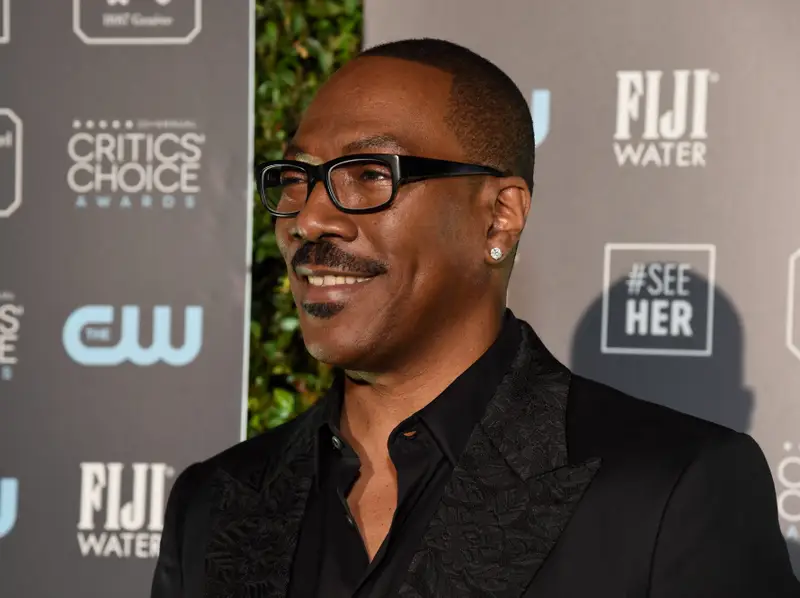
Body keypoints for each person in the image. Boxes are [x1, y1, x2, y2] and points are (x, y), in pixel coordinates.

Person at [151, 38, 799, 597]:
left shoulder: (672, 490)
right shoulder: (215, 501)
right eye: (298, 178)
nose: (311, 218)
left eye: (370, 174)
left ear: (499, 217)